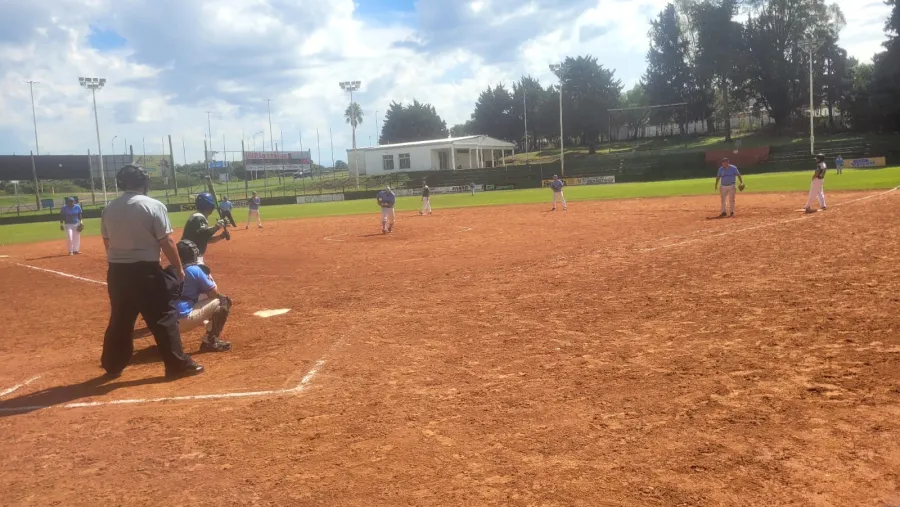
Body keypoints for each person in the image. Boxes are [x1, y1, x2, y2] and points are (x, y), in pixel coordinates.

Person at [100, 164, 203, 379]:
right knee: (163, 317)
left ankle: (112, 364)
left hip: (117, 273)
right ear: (144, 183)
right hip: (145, 271)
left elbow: (107, 241)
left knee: (121, 318)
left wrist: (118, 262)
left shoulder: (109, 208)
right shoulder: (153, 205)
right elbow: (167, 241)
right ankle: (177, 365)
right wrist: (179, 268)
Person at [175, 239, 233, 352]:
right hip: (182, 321)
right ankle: (210, 341)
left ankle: (167, 341)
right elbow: (214, 293)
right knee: (223, 301)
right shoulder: (194, 270)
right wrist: (207, 277)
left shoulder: (169, 269)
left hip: (164, 323)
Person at [182, 192, 228, 265]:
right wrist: (218, 226)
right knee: (205, 276)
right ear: (209, 205)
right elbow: (204, 234)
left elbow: (205, 239)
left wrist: (221, 236)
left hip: (189, 256)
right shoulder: (198, 217)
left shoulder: (197, 216)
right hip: (192, 258)